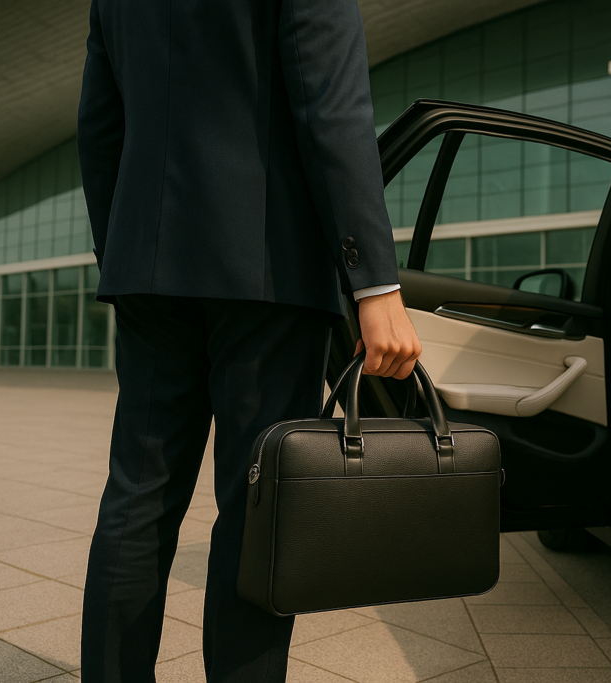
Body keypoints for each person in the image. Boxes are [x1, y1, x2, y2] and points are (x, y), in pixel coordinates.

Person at [75, 0, 420, 680]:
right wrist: (375, 283)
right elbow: (332, 108)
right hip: (270, 269)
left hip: (148, 270)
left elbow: (99, 127)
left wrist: (128, 253)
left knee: (136, 499)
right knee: (257, 507)